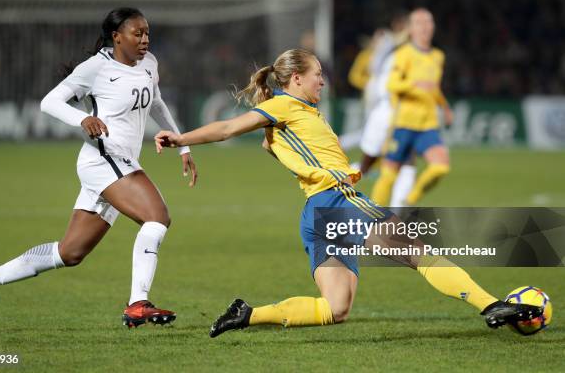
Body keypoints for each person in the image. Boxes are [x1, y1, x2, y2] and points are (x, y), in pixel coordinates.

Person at [154, 48, 541, 338]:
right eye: (317, 74)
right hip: (339, 204)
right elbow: (225, 129)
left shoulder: (301, 113)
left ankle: (248, 314)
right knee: (418, 253)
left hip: (317, 215)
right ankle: (492, 305)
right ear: (296, 79)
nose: (323, 80)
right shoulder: (282, 106)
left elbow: (279, 148)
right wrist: (180, 139)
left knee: (335, 309)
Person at [0, 7, 197, 329]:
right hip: (103, 160)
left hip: (120, 164)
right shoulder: (96, 68)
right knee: (157, 217)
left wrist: (182, 143)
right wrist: (82, 118)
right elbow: (50, 102)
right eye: (137, 33)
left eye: (147, 33)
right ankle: (137, 304)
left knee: (69, 253)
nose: (144, 40)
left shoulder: (149, 63)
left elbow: (155, 101)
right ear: (116, 37)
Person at [371, 8, 452, 207]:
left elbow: (434, 88)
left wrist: (445, 106)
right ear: (411, 29)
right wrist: (414, 85)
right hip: (404, 123)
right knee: (388, 175)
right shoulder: (403, 54)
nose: (425, 26)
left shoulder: (438, 56)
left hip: (428, 124)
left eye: (429, 21)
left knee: (441, 167)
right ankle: (371, 221)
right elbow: (392, 84)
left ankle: (409, 201)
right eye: (419, 22)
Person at [350, 11, 417, 208]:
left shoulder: (407, 49)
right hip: (386, 108)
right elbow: (377, 65)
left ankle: (397, 213)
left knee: (405, 161)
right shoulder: (389, 45)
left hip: (401, 110)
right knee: (369, 161)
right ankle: (340, 185)